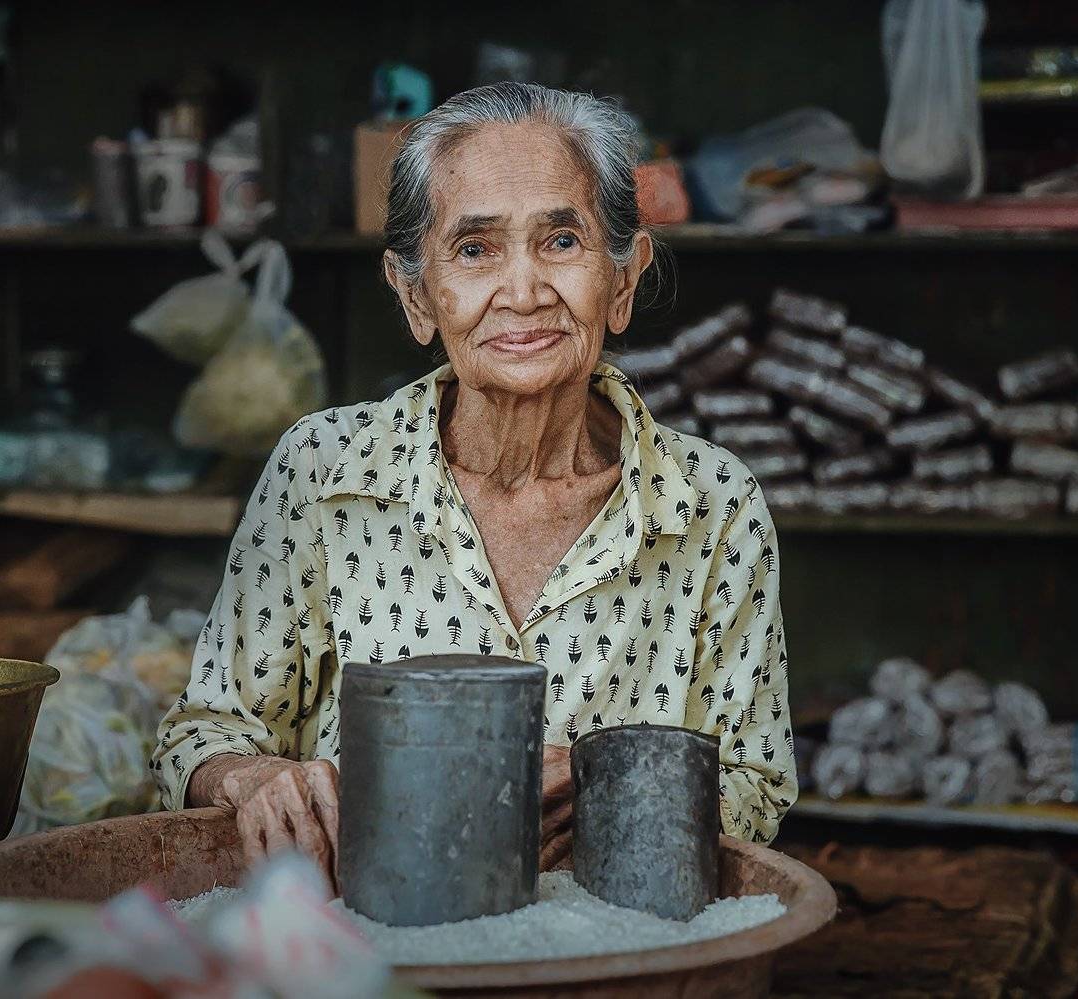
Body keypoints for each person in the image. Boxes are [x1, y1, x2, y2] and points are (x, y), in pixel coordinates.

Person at [152, 81, 796, 887]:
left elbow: (755, 786)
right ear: (416, 296)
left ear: (623, 282)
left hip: (613, 935)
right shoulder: (322, 471)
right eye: (474, 249)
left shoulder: (713, 502)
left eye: (562, 240)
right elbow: (201, 734)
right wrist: (252, 779)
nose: (523, 292)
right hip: (371, 930)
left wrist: (608, 788)